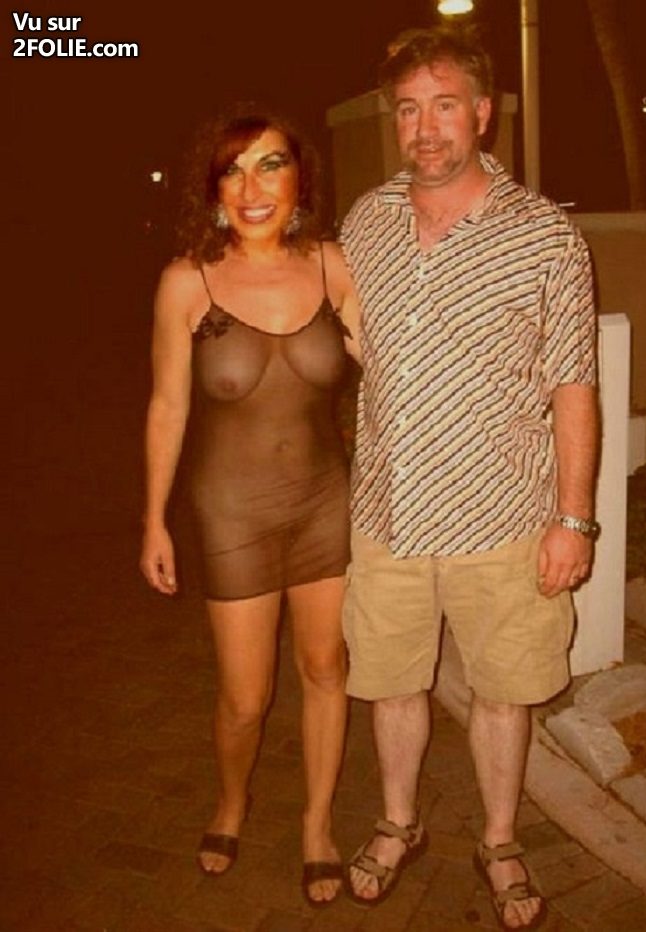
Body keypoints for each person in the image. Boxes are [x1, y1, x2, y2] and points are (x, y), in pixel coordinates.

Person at [340, 27, 599, 930]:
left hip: (504, 517)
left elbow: (574, 385)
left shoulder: (546, 236)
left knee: (501, 691)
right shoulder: (365, 222)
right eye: (409, 108)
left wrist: (574, 519)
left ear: (482, 113)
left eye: (445, 105)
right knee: (392, 682)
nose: (426, 128)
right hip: (387, 514)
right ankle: (398, 822)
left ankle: (498, 837)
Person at [140, 110, 361, 906]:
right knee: (245, 697)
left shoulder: (335, 265)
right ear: (213, 191)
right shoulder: (186, 282)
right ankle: (232, 800)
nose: (253, 186)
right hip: (230, 514)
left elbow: (386, 367)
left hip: (326, 504)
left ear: (301, 178)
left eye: (271, 164)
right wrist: (153, 520)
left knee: (327, 670)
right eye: (233, 170)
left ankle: (317, 825)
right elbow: (168, 406)